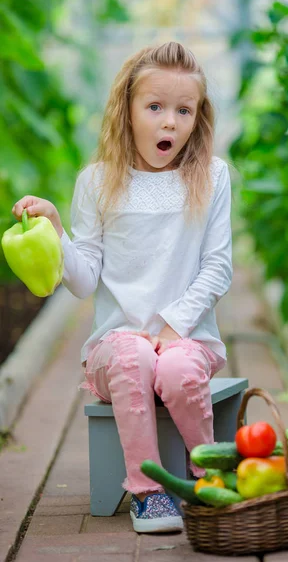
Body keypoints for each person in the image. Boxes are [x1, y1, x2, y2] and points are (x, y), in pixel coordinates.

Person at [11, 42, 232, 534]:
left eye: (184, 110)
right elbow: (84, 277)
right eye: (154, 107)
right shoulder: (97, 182)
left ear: (198, 117)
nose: (169, 122)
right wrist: (56, 230)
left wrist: (175, 326)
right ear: (126, 110)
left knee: (173, 367)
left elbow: (217, 267)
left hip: (188, 338)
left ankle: (208, 477)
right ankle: (147, 492)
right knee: (136, 356)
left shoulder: (211, 177)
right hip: (118, 347)